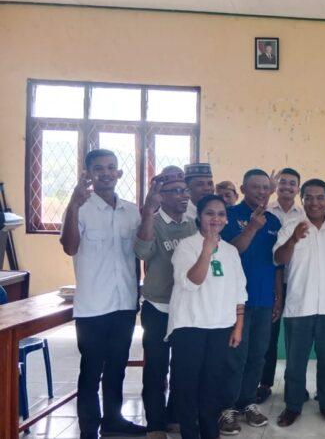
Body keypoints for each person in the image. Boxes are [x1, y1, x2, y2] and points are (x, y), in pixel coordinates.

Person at [60, 149, 145, 438]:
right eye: (99, 168)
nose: (106, 173)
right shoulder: (80, 208)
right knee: (91, 370)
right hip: (93, 307)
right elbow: (70, 247)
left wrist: (137, 294)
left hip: (124, 303)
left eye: (111, 167)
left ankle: (113, 421)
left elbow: (138, 253)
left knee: (117, 367)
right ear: (88, 173)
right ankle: (88, 430)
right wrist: (73, 206)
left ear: (119, 172)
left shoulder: (131, 210)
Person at [273, 179, 325, 427]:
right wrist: (293, 239)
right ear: (302, 199)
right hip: (299, 306)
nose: (314, 202)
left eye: (320, 197)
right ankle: (293, 406)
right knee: (295, 362)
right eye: (308, 197)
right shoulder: (290, 226)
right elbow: (279, 259)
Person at [167, 194, 247, 439]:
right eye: (209, 213)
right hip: (190, 326)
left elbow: (239, 291)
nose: (216, 218)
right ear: (199, 217)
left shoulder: (231, 251)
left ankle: (211, 433)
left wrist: (238, 327)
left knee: (213, 385)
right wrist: (206, 251)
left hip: (220, 326)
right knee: (187, 386)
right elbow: (191, 282)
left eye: (221, 214)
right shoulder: (187, 246)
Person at [135, 167, 197, 439]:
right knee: (156, 368)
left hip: (185, 308)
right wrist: (149, 212)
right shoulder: (155, 221)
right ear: (162, 195)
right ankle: (155, 424)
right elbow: (141, 252)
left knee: (182, 368)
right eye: (176, 191)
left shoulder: (192, 224)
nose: (184, 196)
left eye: (185, 190)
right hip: (158, 307)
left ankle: (174, 417)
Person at [217, 169, 280, 435]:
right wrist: (252, 227)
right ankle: (227, 407)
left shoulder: (274, 220)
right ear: (243, 189)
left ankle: (248, 402)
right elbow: (230, 251)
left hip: (264, 300)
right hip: (235, 301)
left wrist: (278, 296)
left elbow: (276, 264)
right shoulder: (229, 215)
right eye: (256, 187)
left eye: (266, 188)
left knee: (257, 355)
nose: (261, 192)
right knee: (235, 357)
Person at [256, 167, 304, 403]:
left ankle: (295, 385)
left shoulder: (304, 215)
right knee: (269, 336)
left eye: (292, 183)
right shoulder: (264, 211)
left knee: (296, 337)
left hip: (297, 280)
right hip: (270, 281)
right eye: (282, 182)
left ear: (298, 189)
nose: (287, 186)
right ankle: (264, 383)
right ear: (276, 186)